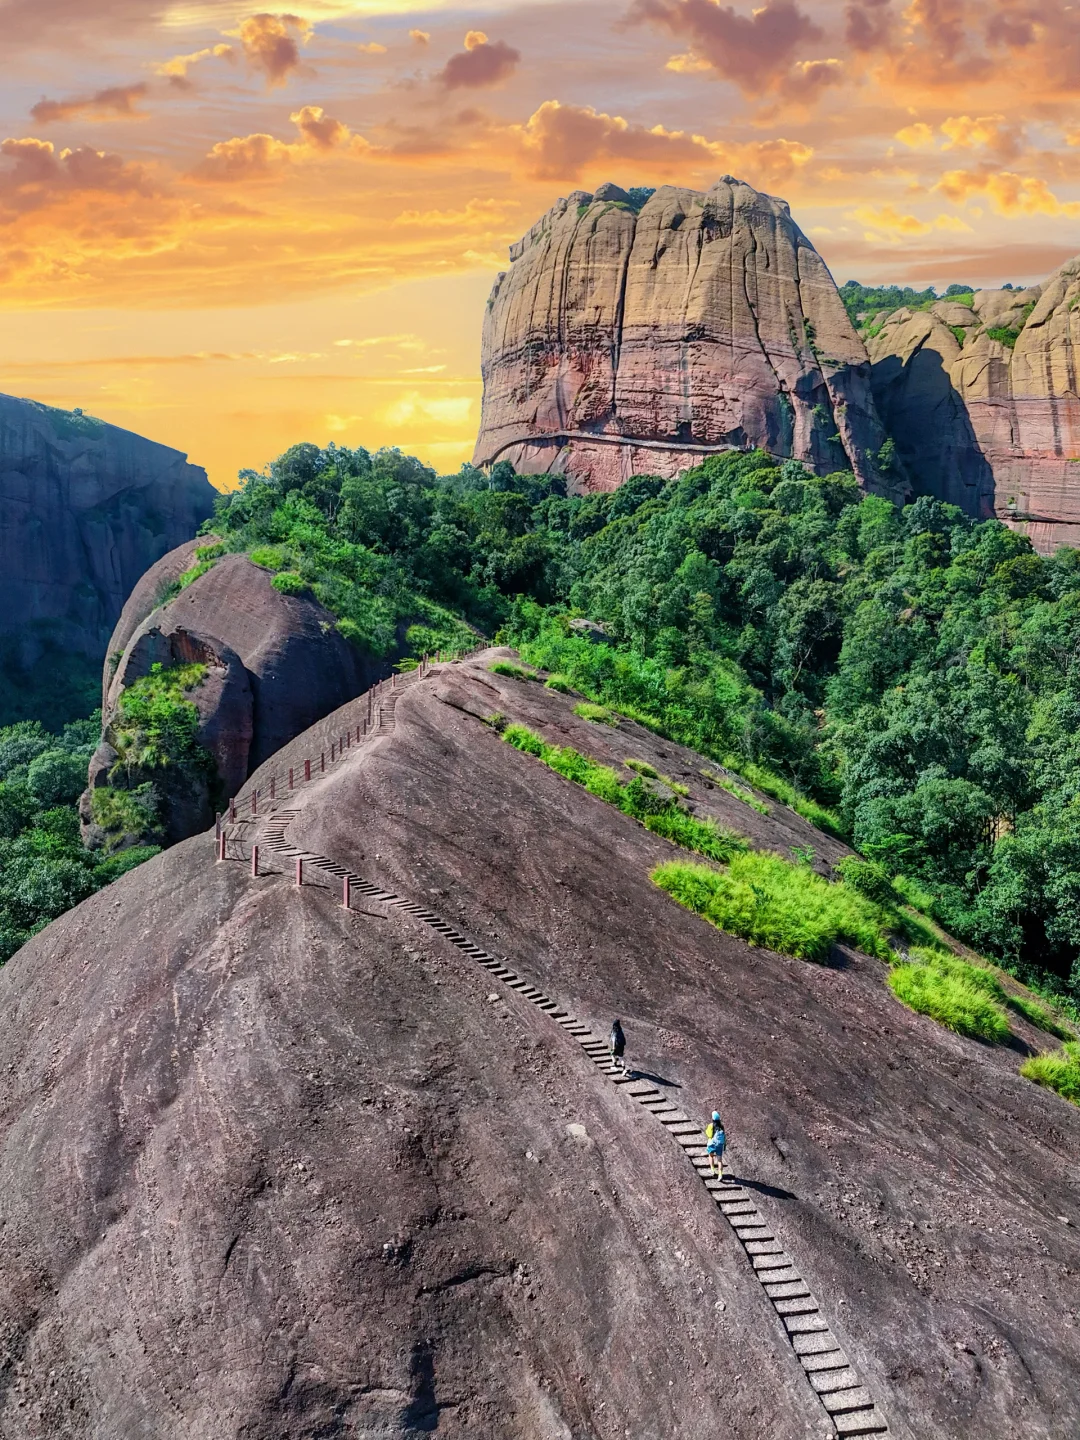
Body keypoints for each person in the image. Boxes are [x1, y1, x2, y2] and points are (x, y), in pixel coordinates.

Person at [705, 1110, 726, 1180]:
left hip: (712, 1144)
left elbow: (709, 1135)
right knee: (719, 1160)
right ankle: (720, 1175)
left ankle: (712, 1170)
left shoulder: (711, 1125)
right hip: (719, 1145)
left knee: (711, 1156)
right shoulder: (722, 1126)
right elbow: (724, 1136)